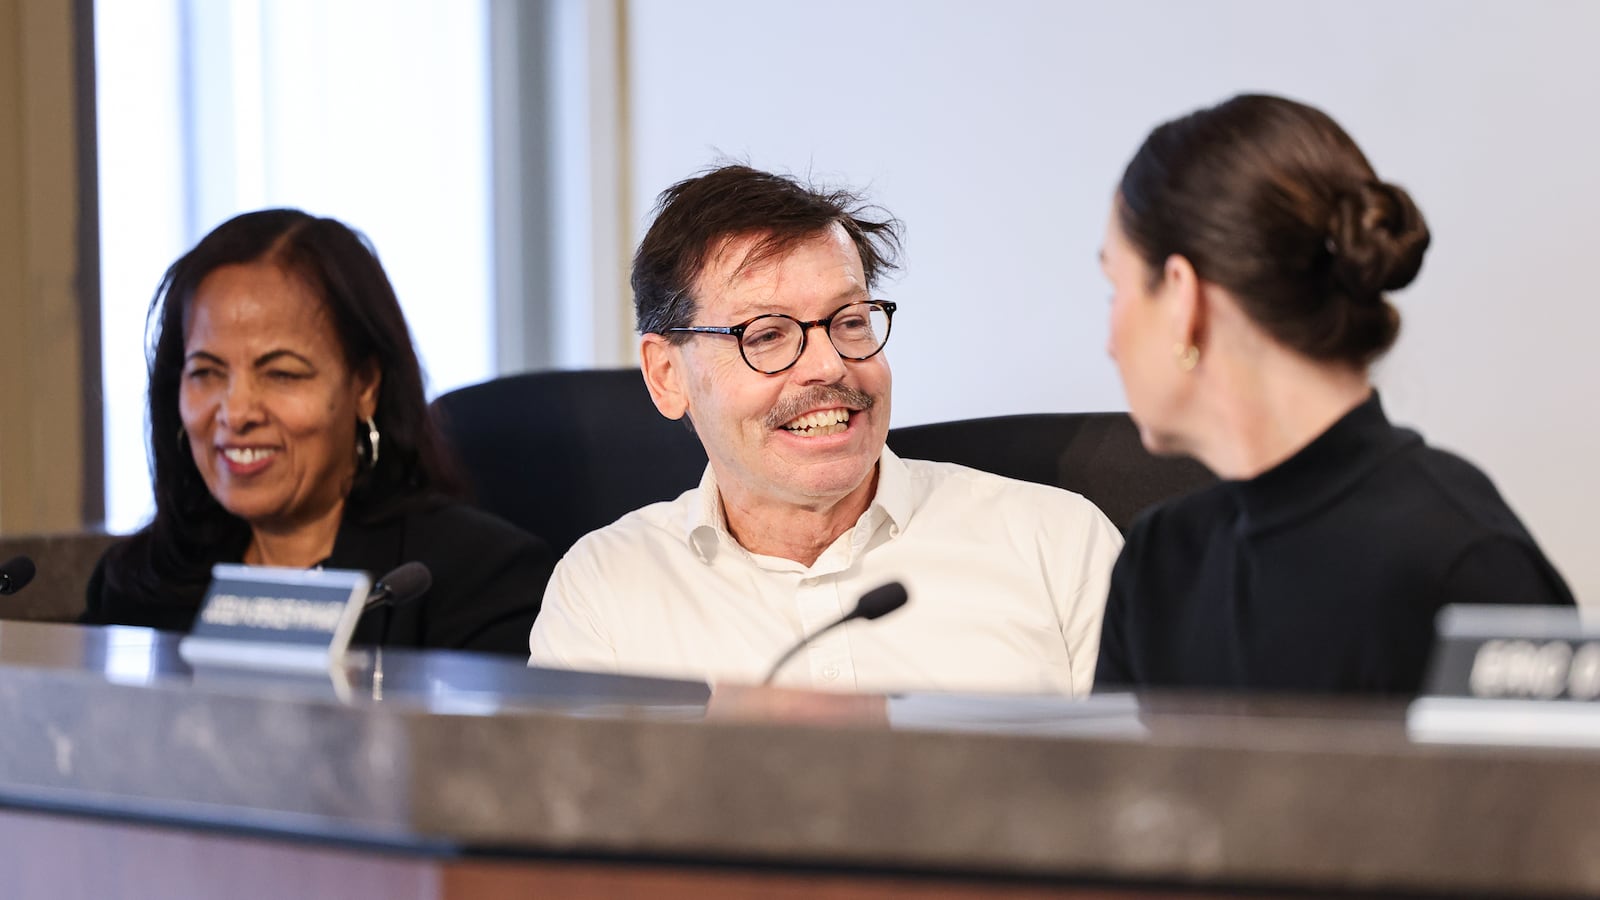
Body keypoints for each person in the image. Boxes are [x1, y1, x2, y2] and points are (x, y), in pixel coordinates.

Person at [530, 165, 1122, 695]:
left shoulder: (1056, 545)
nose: (829, 365)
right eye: (766, 335)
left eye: (850, 321)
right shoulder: (605, 590)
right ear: (667, 375)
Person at [1093, 94, 1575, 694]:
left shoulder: (1468, 565)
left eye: (1114, 287)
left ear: (1181, 297)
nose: (1109, 342)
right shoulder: (1155, 566)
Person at [83, 209, 553, 656]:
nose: (236, 413)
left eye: (281, 374)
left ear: (365, 386)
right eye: (206, 372)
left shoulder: (481, 580)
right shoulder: (138, 584)